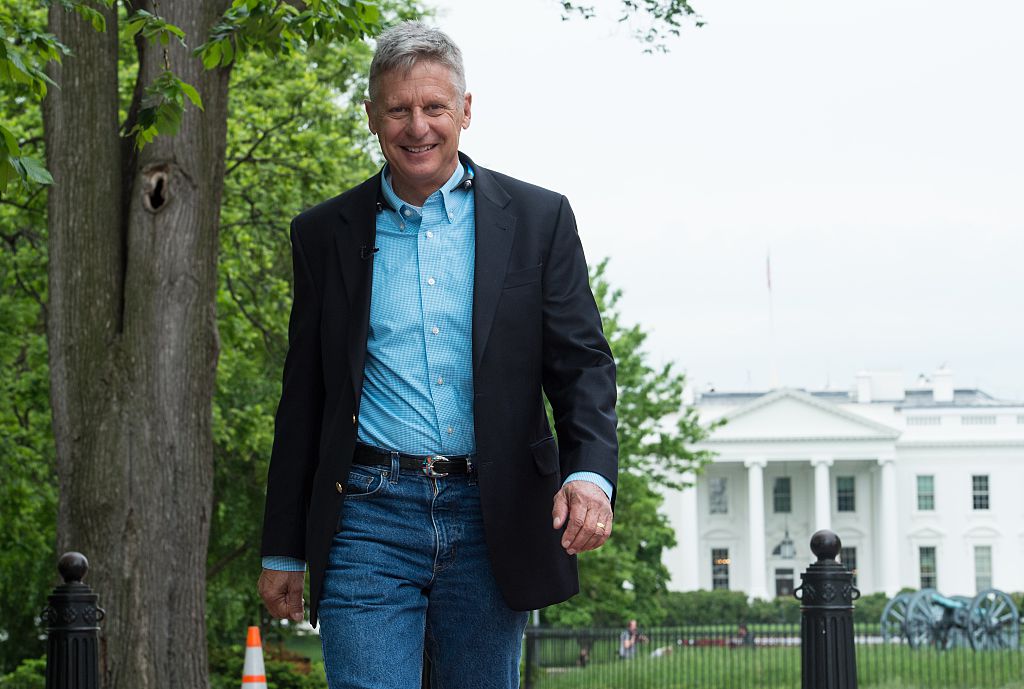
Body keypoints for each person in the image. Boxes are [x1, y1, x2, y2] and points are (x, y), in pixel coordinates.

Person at [256, 21, 618, 689]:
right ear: (372, 115)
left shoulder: (540, 220)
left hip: (494, 514)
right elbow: (303, 398)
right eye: (398, 109)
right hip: (367, 513)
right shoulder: (321, 235)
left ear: (465, 111)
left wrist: (591, 475)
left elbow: (583, 366)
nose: (416, 126)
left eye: (433, 107)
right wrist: (283, 545)